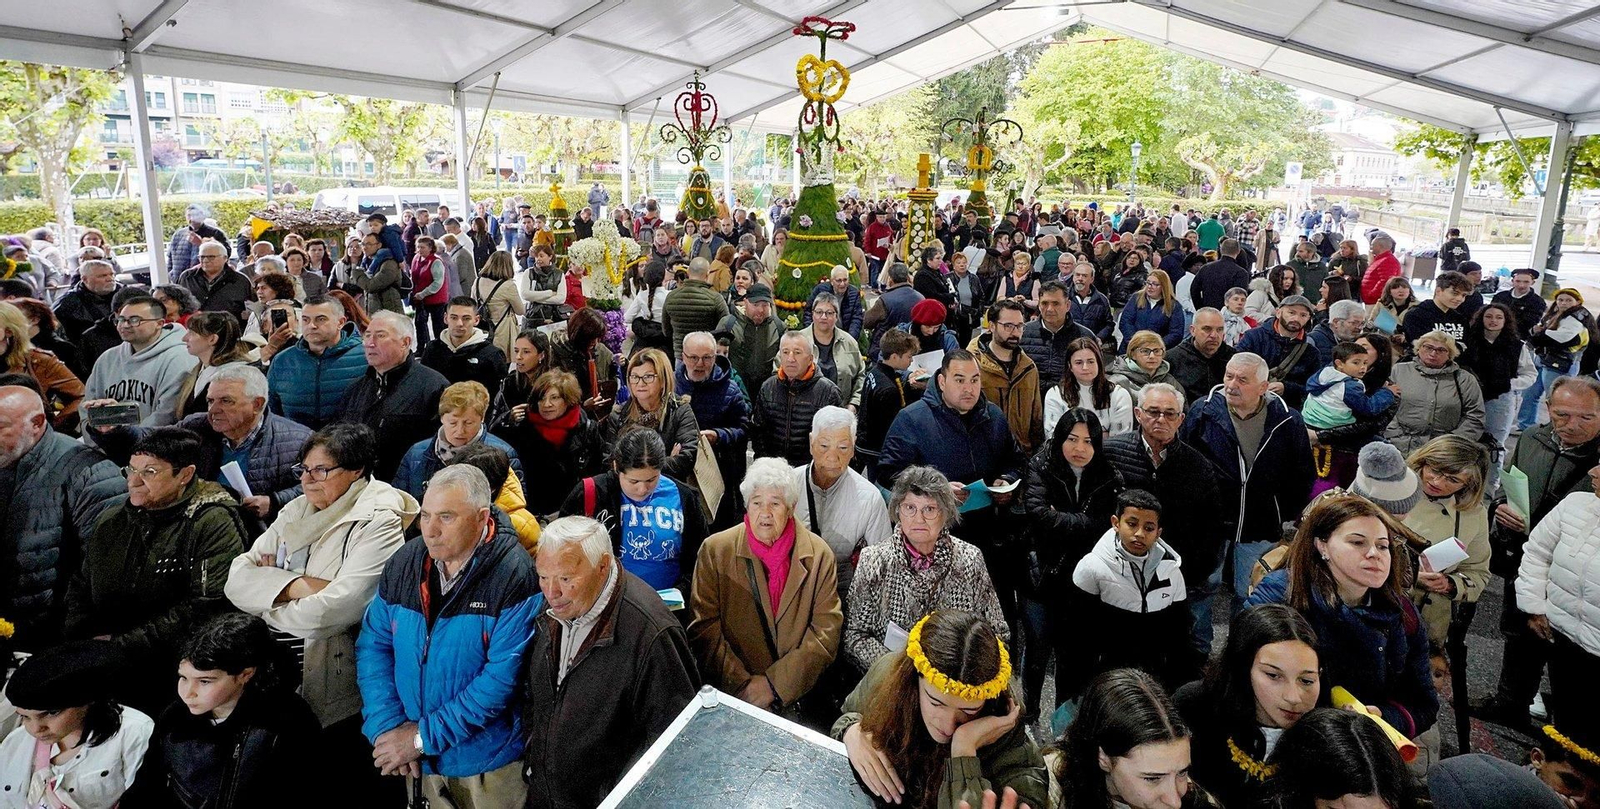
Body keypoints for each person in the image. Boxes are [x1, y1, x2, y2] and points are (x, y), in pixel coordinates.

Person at [222, 422, 416, 791]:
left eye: (321, 470)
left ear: (357, 470)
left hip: (336, 679)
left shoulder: (379, 519)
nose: (308, 480)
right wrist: (299, 587)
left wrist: (269, 596)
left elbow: (335, 611)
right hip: (278, 670)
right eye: (304, 469)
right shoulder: (297, 509)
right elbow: (236, 581)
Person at [356, 465, 537, 808]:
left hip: (486, 764)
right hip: (414, 758)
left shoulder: (514, 574)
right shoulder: (404, 563)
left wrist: (422, 737)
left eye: (446, 517)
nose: (431, 531)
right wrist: (387, 725)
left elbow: (500, 682)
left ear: (482, 517)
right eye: (425, 516)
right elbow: (373, 645)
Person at [65, 426, 249, 713]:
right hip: (105, 661)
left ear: (185, 475)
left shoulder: (211, 522)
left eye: (149, 472)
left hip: (170, 673)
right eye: (130, 469)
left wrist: (121, 645)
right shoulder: (112, 519)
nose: (134, 481)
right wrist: (81, 633)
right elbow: (81, 581)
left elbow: (204, 607)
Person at [521, 516, 699, 808]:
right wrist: (534, 757)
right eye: (543, 577)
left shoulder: (651, 632)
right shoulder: (559, 606)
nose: (551, 592)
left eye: (566, 579)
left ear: (602, 566)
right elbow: (539, 697)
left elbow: (675, 745)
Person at [1246, 495, 1438, 745]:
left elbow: (1423, 703)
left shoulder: (1402, 614)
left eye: (1383, 546)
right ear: (1322, 546)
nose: (1373, 554)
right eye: (1357, 542)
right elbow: (1238, 674)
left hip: (1357, 743)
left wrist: (1384, 718)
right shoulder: (1281, 596)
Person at [834, 610, 1046, 809]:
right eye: (936, 702)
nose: (947, 725)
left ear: (990, 700)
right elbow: (848, 713)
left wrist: (964, 751)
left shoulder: (1014, 754)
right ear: (914, 679)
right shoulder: (889, 676)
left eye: (968, 710)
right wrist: (851, 730)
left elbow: (1029, 794)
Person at [689, 456, 843, 719]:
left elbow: (825, 633)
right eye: (757, 503)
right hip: (734, 696)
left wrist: (774, 685)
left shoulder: (819, 556)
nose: (765, 513)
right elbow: (704, 628)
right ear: (747, 507)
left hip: (797, 700)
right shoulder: (716, 550)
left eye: (775, 503)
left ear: (791, 507)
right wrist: (742, 684)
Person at [120, 613, 320, 809]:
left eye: (205, 681)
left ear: (245, 674)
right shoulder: (175, 716)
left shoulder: (289, 723)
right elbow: (147, 785)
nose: (188, 693)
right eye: (184, 677)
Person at [1182, 353, 1313, 628]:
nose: (1231, 384)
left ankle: (1240, 649)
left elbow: (1302, 473)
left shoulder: (1288, 420)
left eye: (1242, 379)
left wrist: (1282, 512)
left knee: (1249, 591)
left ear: (1263, 387)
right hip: (1211, 522)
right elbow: (1185, 461)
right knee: (1205, 585)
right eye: (1229, 375)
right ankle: (1199, 650)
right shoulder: (1202, 411)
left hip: (1261, 523)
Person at [843, 465, 1009, 672]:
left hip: (955, 682)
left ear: (946, 513)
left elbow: (997, 633)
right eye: (910, 508)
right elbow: (855, 636)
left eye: (929, 509)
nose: (919, 519)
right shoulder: (874, 560)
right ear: (897, 510)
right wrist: (905, 671)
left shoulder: (969, 559)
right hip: (891, 681)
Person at [1019, 408, 1125, 714]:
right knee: (1037, 649)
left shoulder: (1109, 475)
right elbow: (1039, 516)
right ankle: (1028, 714)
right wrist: (1083, 523)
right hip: (1041, 572)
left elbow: (1106, 526)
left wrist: (1063, 519)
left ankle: (1062, 722)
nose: (1080, 449)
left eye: (1088, 441)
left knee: (1072, 654)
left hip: (1082, 579)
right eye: (1072, 439)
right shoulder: (1040, 465)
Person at [1173, 604, 1322, 809]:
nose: (1293, 697)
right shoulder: (1195, 707)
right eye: (1273, 676)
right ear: (1243, 668)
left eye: (1306, 681)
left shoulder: (1326, 732)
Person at [1067, 489, 1196, 697]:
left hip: (1153, 683)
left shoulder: (1171, 572)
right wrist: (1079, 692)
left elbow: (1179, 637)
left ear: (1158, 533)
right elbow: (1076, 639)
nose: (1139, 534)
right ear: (1116, 523)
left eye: (1149, 527)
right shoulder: (1091, 568)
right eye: (1132, 524)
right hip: (1107, 682)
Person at [0, 639, 153, 809]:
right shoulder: (14, 743)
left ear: (87, 702)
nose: (36, 729)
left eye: (51, 713)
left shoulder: (134, 732)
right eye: (25, 717)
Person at [557, 428, 708, 593]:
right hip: (605, 599)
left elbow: (699, 555)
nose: (642, 489)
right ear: (616, 467)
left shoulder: (683, 496)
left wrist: (682, 590)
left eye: (651, 479)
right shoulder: (591, 492)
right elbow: (561, 548)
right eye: (633, 481)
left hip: (667, 604)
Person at [1053, 668, 1214, 809]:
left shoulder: (1194, 799)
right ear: (1104, 758)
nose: (1174, 801)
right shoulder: (1048, 793)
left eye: (1182, 772)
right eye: (1153, 779)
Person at [793, 406, 893, 604]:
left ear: (853, 448)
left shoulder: (869, 498)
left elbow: (882, 562)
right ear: (811, 443)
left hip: (840, 594)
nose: (832, 456)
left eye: (843, 447)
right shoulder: (788, 485)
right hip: (790, 589)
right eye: (824, 446)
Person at [1402, 435, 1492, 645]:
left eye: (1452, 480)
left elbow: (1478, 572)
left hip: (1429, 624)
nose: (1436, 482)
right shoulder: (1386, 487)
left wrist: (1450, 584)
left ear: (1470, 484)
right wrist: (1411, 575)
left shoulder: (1473, 514)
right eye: (1434, 470)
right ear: (1422, 461)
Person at [495, 368, 604, 517]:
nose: (547, 404)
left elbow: (597, 472)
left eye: (554, 398)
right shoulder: (521, 427)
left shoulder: (587, 429)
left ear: (567, 400)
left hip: (574, 511)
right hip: (531, 512)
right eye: (541, 398)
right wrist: (505, 421)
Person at [80, 294, 196, 433]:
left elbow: (167, 415)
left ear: (159, 323)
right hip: (105, 444)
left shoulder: (180, 357)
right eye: (121, 320)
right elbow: (87, 406)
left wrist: (128, 440)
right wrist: (97, 437)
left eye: (134, 320)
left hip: (154, 446)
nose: (124, 325)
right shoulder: (108, 357)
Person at [393, 380, 524, 500]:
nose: (460, 431)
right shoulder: (417, 453)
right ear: (442, 418)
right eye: (453, 423)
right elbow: (399, 501)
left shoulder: (503, 454)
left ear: (482, 418)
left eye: (468, 423)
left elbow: (513, 504)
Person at [675, 330, 752, 525]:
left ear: (715, 357)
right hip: (679, 473)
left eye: (706, 358)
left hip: (718, 475)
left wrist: (718, 435)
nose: (699, 364)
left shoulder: (731, 390)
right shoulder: (672, 385)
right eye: (693, 357)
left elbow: (743, 430)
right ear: (683, 356)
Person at [265, 295, 367, 430]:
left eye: (321, 319)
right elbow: (272, 412)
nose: (311, 326)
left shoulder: (366, 356)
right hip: (297, 444)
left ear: (340, 322)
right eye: (306, 320)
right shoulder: (283, 360)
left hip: (349, 443)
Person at [603, 347, 701, 482]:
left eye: (648, 377)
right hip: (627, 492)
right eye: (635, 377)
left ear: (663, 380)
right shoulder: (619, 415)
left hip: (669, 490)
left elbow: (685, 460)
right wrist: (665, 460)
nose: (640, 383)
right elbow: (610, 462)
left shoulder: (680, 410)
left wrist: (630, 467)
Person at [1384, 329, 1486, 456]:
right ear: (1418, 348)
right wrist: (1395, 435)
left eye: (1441, 350)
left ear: (1450, 354)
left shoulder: (1464, 379)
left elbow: (1475, 416)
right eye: (1428, 347)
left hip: (1444, 452)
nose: (1433, 353)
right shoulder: (1398, 371)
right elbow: (1384, 406)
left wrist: (1450, 444)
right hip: (1397, 446)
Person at [752, 331, 844, 466]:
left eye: (797, 352)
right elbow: (758, 431)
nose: (790, 359)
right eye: (785, 352)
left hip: (811, 471)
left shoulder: (828, 392)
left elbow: (837, 439)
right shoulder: (768, 387)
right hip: (773, 470)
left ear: (810, 358)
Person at [972, 299, 1045, 455]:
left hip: (1020, 454)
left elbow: (1036, 418)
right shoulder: (973, 367)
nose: (1015, 332)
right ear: (992, 326)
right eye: (1008, 326)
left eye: (1019, 326)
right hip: (983, 454)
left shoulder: (1029, 368)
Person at [0, 300, 82, 432]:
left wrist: (52, 428)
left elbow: (81, 396)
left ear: (9, 331)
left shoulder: (39, 361)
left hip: (29, 440)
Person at [1521, 288, 1595, 432]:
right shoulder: (1554, 315)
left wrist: (1542, 332)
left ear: (1578, 302)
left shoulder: (1577, 318)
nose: (1564, 303)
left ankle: (1556, 430)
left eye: (1568, 300)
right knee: (1530, 394)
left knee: (1558, 399)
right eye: (1560, 300)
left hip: (1560, 363)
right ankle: (1525, 426)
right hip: (1543, 359)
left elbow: (1563, 337)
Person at [1235, 294, 1319, 409]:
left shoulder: (1311, 353)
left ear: (1309, 318)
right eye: (1291, 312)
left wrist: (1286, 388)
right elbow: (1235, 367)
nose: (1296, 319)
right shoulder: (1254, 337)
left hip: (1287, 410)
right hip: (1248, 404)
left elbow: (1312, 387)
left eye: (1303, 315)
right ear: (1278, 312)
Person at [418, 296, 509, 401]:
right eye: (454, 317)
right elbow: (423, 386)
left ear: (476, 320)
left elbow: (498, 397)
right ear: (445, 318)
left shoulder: (491, 354)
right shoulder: (432, 349)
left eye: (466, 318)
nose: (459, 323)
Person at [858, 328, 920, 482]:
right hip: (878, 449)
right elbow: (893, 427)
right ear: (894, 357)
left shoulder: (874, 372)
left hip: (865, 442)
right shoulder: (889, 390)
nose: (911, 361)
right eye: (908, 357)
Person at [1045, 337, 1135, 438]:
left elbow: (1119, 442)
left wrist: (1073, 437)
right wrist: (1102, 435)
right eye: (1079, 362)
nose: (1085, 367)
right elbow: (1054, 439)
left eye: (1091, 361)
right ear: (1070, 366)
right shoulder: (1055, 394)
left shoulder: (1119, 395)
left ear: (1099, 363)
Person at [1021, 280, 1097, 392]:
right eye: (1044, 303)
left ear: (1068, 305)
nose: (1050, 309)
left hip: (1070, 399)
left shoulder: (1085, 336)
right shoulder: (1023, 332)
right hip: (1031, 399)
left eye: (1056, 303)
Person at [1303, 341, 1397, 431]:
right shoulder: (1349, 387)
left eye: (1365, 363)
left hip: (1309, 420)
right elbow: (1369, 408)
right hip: (1329, 425)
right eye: (1356, 363)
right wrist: (1387, 392)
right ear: (1339, 363)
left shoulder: (1325, 373)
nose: (1362, 367)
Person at [799, 292, 865, 407]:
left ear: (836, 316)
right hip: (803, 412)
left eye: (829, 313)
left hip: (840, 411)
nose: (823, 317)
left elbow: (860, 375)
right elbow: (779, 372)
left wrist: (854, 404)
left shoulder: (849, 342)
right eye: (819, 312)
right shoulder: (798, 341)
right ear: (812, 314)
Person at [720, 282, 785, 395]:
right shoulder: (729, 324)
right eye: (755, 305)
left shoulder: (778, 327)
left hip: (768, 390)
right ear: (745, 302)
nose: (760, 310)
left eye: (765, 305)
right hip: (734, 388)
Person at [663, 256, 731, 360]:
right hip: (705, 356)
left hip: (681, 355)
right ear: (707, 274)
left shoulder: (671, 296)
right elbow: (725, 327)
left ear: (688, 272)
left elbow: (666, 331)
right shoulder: (715, 298)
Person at [550, 307, 617, 413]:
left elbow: (611, 376)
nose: (595, 342)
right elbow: (554, 396)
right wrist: (583, 407)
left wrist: (619, 364)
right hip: (569, 415)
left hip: (598, 412)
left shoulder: (600, 349)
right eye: (591, 338)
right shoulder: (557, 353)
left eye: (598, 338)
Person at [1166, 308, 1236, 400]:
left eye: (1219, 329)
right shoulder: (1172, 359)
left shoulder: (1234, 359)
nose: (1214, 335)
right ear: (1193, 330)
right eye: (1207, 329)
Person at [177, 241, 252, 323]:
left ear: (225, 258)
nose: (205, 260)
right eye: (202, 257)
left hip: (227, 330)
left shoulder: (240, 281)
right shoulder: (187, 277)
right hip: (193, 329)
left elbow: (250, 308)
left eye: (211, 257)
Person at [866, 263, 926, 358]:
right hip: (914, 347)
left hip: (887, 349)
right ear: (908, 278)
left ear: (890, 279)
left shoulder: (885, 300)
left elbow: (867, 322)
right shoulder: (920, 297)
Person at [1401, 270, 1473, 348]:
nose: (1460, 299)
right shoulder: (1416, 315)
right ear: (1438, 291)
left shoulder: (1460, 319)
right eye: (1455, 293)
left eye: (1464, 295)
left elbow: (1467, 348)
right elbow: (1422, 347)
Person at [1119, 270, 1187, 353]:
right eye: (1148, 283)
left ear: (1164, 286)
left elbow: (1176, 333)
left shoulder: (1174, 306)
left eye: (1155, 284)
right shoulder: (1136, 298)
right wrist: (1135, 342)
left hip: (1157, 352)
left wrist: (1155, 346)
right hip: (1131, 349)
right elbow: (1125, 321)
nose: (1150, 287)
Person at [473, 251, 524, 357]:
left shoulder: (477, 281)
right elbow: (520, 311)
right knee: (501, 362)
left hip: (482, 329)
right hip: (502, 330)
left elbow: (472, 304)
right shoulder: (508, 286)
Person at [1107, 330, 1182, 398]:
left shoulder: (1171, 382)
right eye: (1145, 351)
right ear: (1133, 354)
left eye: (1157, 351)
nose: (1152, 356)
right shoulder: (1118, 382)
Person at [353, 229, 405, 316]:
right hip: (375, 313)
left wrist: (356, 274)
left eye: (369, 244)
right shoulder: (366, 262)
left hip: (390, 314)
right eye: (362, 244)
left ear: (379, 245)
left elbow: (371, 286)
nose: (365, 247)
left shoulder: (389, 263)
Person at [1191, 239, 1251, 312]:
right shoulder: (1240, 273)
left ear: (1221, 250)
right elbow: (1239, 298)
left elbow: (1194, 290)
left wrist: (1200, 308)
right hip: (1227, 316)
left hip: (1207, 312)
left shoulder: (1206, 268)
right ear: (1238, 251)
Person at [1306, 298, 1368, 368]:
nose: (1359, 328)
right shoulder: (1313, 340)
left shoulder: (1358, 342)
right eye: (1354, 323)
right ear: (1336, 322)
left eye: (1362, 323)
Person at [809, 264, 867, 339]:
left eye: (845, 280)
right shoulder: (820, 290)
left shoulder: (854, 293)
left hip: (844, 334)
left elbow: (856, 318)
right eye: (839, 280)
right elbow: (809, 312)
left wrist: (850, 339)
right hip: (821, 333)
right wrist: (812, 335)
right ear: (832, 281)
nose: (842, 284)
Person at [1494, 267, 1547, 338]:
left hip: (1518, 338)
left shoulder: (1537, 301)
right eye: (1518, 281)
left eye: (1526, 282)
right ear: (1512, 281)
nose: (1521, 285)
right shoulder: (1500, 296)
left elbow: (1528, 324)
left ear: (1532, 282)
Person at [1360, 234, 1402, 304]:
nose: (1370, 247)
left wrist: (1372, 294)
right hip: (1371, 301)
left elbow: (1385, 281)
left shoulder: (1388, 261)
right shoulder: (1381, 260)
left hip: (1375, 302)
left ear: (1379, 246)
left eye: (1372, 245)